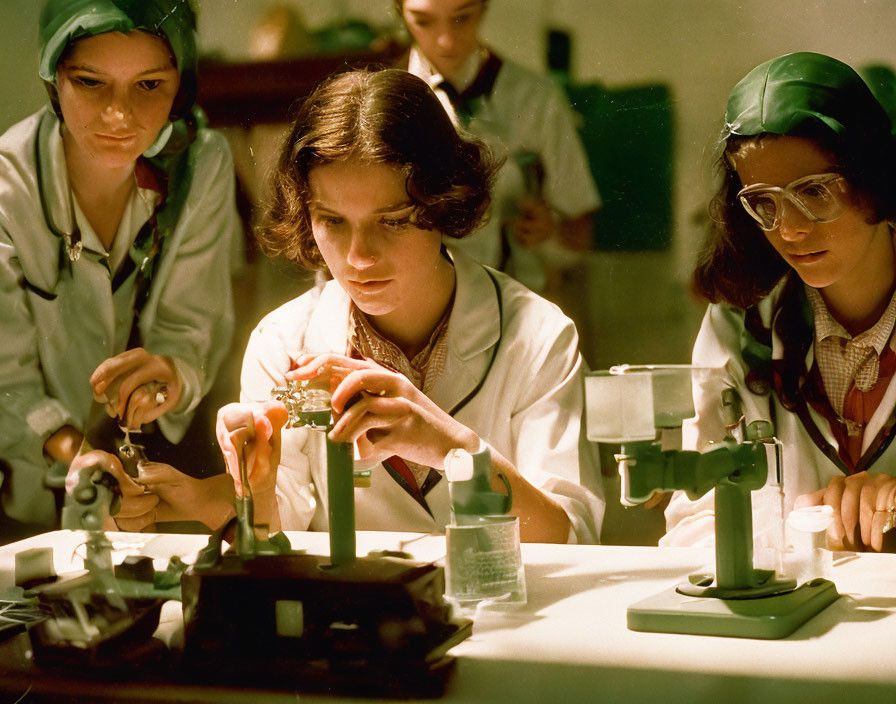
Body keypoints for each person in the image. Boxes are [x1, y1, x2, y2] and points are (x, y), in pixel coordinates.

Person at [209, 68, 603, 544]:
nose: (359, 257)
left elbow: (572, 538)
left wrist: (453, 448)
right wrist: (257, 486)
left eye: (392, 221)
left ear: (444, 202)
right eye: (332, 221)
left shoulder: (538, 337)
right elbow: (278, 537)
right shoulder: (282, 343)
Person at [0, 0, 239, 535]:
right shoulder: (7, 188)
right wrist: (77, 457)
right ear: (52, 78)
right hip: (27, 506)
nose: (118, 116)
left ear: (181, 83)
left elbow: (189, 329)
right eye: (90, 83)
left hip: (161, 494)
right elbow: (4, 381)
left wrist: (171, 376)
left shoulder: (199, 165)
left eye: (148, 86)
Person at [664, 52, 896, 553]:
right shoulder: (738, 325)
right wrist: (801, 525)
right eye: (764, 202)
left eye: (814, 192)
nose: (789, 228)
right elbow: (690, 531)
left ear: (874, 179)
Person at [394, 0, 600, 293]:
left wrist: (548, 230)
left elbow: (581, 230)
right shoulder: (385, 102)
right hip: (416, 300)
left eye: (461, 18)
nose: (445, 40)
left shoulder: (535, 98)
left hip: (514, 298)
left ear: (483, 8)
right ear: (400, 11)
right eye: (423, 21)